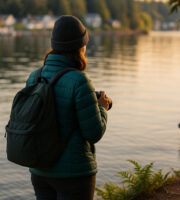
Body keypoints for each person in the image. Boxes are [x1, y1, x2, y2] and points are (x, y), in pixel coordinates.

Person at [25, 15, 111, 200]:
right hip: (74, 175)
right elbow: (94, 133)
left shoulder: (34, 77)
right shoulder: (80, 81)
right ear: (80, 47)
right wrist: (102, 108)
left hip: (40, 171)